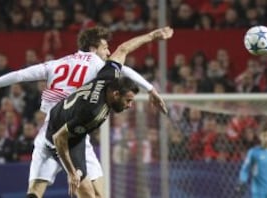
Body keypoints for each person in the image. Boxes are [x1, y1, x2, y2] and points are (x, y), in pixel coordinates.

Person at [0, 26, 167, 198]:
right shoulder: (98, 64)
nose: (108, 52)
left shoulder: (55, 64)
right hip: (71, 135)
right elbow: (122, 64)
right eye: (105, 48)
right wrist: (151, 89)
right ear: (93, 48)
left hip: (51, 131)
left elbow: (20, 75)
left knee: (35, 191)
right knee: (93, 194)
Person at [45, 27, 174, 197]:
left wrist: (152, 36)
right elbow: (59, 138)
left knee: (101, 195)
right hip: (58, 136)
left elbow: (123, 49)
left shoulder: (108, 76)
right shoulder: (92, 111)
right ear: (115, 94)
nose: (129, 106)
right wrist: (71, 172)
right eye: (128, 101)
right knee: (88, 194)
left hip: (75, 131)